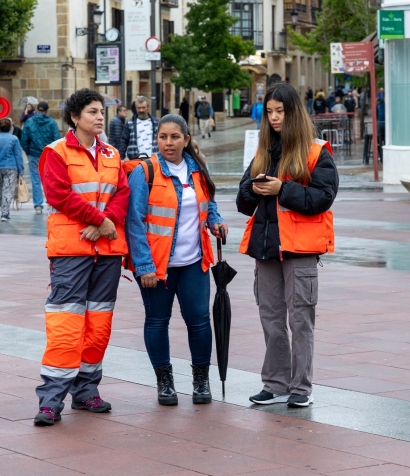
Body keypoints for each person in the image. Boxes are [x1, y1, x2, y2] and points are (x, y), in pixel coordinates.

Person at [236, 82, 339, 408]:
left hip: (300, 250)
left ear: (293, 112)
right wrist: (256, 188)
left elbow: (323, 198)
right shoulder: (263, 152)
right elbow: (242, 201)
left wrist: (283, 189)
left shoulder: (315, 150)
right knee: (271, 318)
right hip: (266, 247)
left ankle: (300, 389)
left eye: (280, 111)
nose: (275, 118)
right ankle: (276, 384)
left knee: (300, 320)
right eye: (269, 112)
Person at [33, 88, 130, 426]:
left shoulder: (111, 154)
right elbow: (58, 195)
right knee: (65, 324)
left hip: (105, 251)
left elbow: (121, 194)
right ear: (75, 117)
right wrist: (98, 220)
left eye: (101, 111)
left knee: (98, 325)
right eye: (91, 112)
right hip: (71, 251)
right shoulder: (56, 152)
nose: (99, 117)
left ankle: (87, 391)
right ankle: (50, 401)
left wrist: (106, 224)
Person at [126, 114, 227, 406]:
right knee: (157, 321)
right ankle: (165, 382)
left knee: (199, 321)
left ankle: (200, 380)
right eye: (162, 137)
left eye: (174, 137)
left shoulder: (197, 170)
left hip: (195, 262)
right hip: (157, 267)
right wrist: (143, 266)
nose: (168, 143)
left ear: (186, 140)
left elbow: (209, 203)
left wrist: (215, 222)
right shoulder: (146, 171)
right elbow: (134, 221)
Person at [21, 101, 61, 215]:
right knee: (49, 179)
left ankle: (38, 205)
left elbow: (24, 139)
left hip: (34, 154)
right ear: (47, 111)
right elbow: (57, 139)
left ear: (37, 110)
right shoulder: (52, 123)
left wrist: (28, 151)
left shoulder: (29, 122)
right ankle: (50, 201)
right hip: (48, 155)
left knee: (35, 180)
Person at [0, 118, 24, 222]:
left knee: (1, 189)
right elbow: (18, 156)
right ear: (10, 127)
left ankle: (4, 210)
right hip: (11, 167)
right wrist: (21, 170)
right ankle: (4, 213)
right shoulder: (14, 139)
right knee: (8, 190)